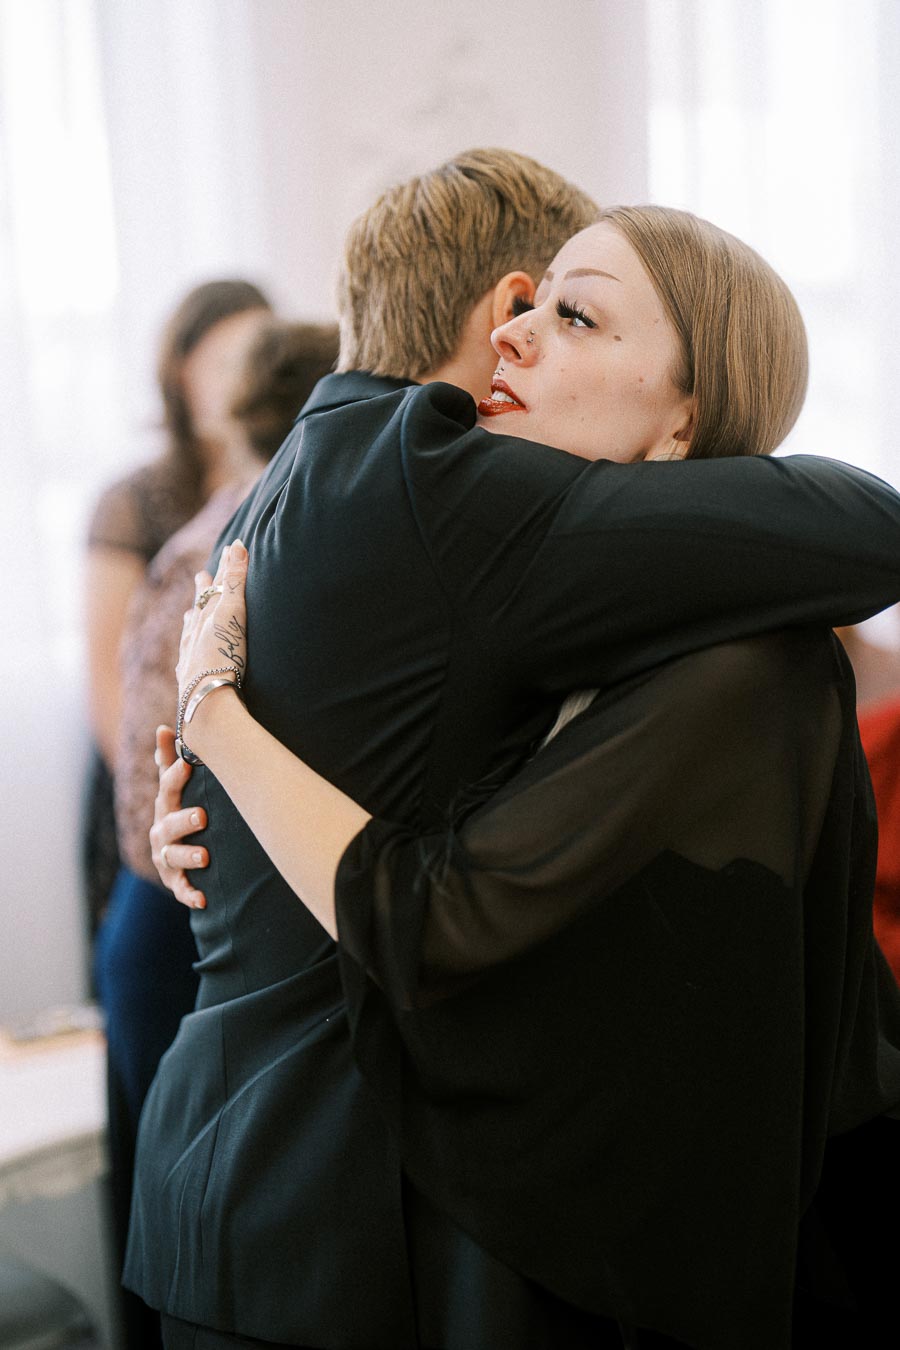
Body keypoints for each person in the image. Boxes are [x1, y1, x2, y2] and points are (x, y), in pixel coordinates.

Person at [131, 162, 900, 1350]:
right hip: (331, 1213)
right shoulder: (448, 504)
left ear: (690, 419)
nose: (518, 337)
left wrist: (214, 734)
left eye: (573, 312)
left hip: (393, 1228)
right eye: (528, 305)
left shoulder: (724, 663)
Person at [94, 320, 338, 1349]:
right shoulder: (251, 540)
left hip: (153, 902)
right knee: (201, 1215)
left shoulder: (224, 522)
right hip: (172, 909)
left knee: (186, 1200)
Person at [83, 279, 272, 939]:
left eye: (258, 360)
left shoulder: (279, 482)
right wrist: (163, 794)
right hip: (154, 763)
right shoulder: (134, 503)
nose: (243, 380)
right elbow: (108, 678)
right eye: (225, 362)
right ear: (181, 373)